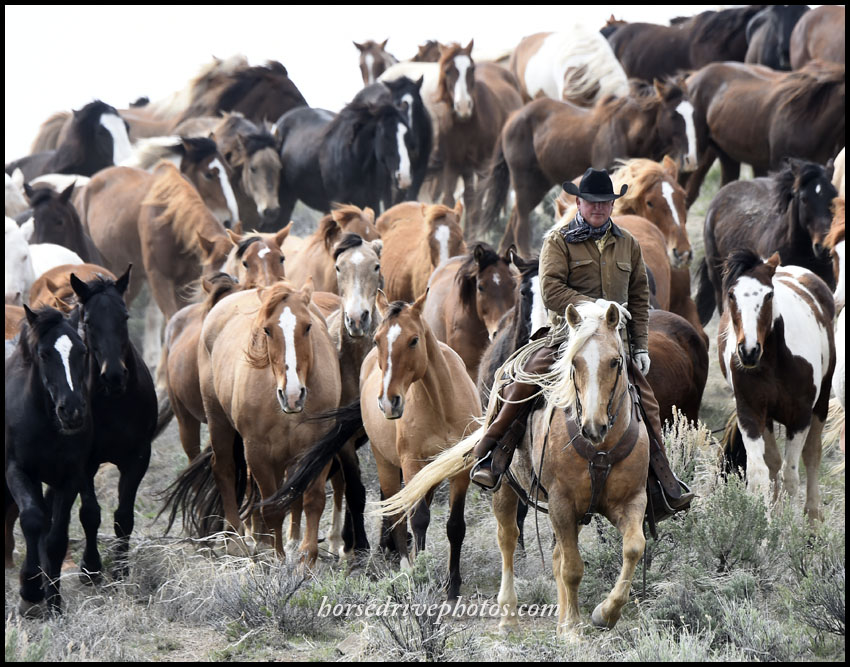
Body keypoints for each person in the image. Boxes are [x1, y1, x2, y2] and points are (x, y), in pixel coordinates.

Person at [470, 167, 692, 517]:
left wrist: (642, 345)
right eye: (592, 203)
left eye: (605, 203)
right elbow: (551, 289)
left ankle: (663, 479)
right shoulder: (558, 241)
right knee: (523, 380)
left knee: (647, 400)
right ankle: (491, 454)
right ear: (579, 203)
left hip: (611, 343)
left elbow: (638, 295)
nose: (599, 209)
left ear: (612, 205)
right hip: (566, 339)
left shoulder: (627, 244)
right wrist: (592, 307)